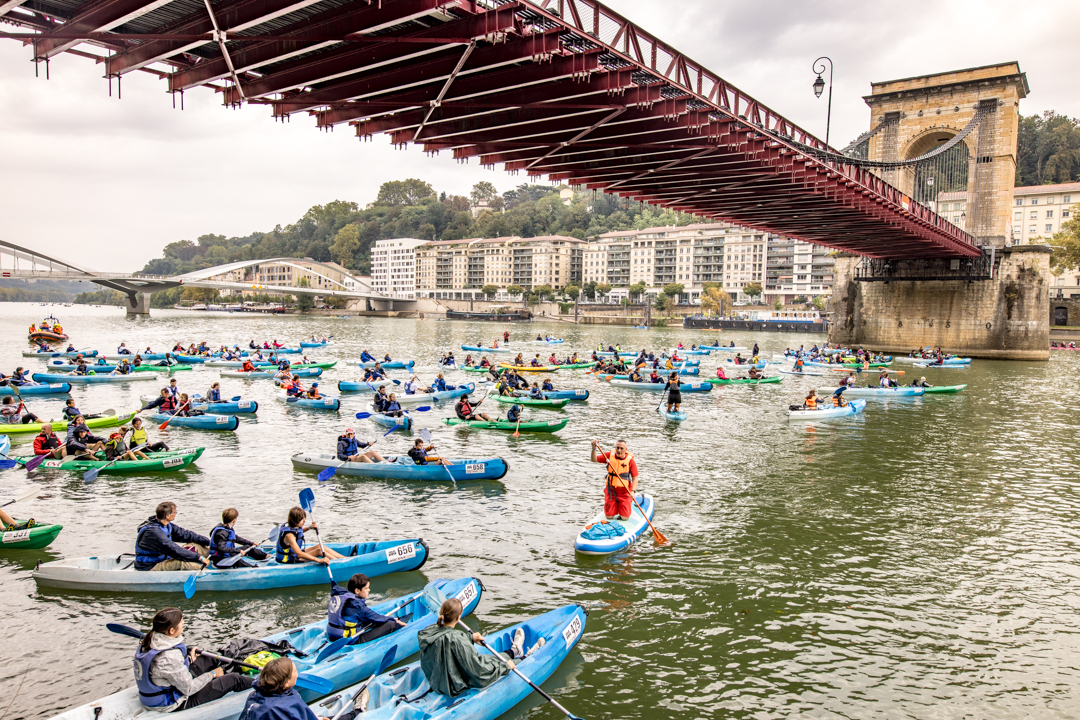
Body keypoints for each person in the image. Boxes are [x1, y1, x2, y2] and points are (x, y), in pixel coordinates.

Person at [418, 597, 543, 699]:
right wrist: (505, 667)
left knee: (489, 660)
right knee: (493, 663)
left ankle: (514, 651)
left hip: (436, 680)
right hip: (453, 685)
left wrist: (470, 638)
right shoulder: (457, 639)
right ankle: (525, 657)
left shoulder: (428, 631)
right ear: (458, 618)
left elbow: (447, 639)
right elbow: (478, 672)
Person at [133, 607, 254, 711]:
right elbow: (189, 689)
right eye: (181, 623)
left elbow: (167, 671)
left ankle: (227, 672)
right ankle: (264, 685)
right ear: (171, 631)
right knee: (233, 680)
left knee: (208, 658)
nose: (184, 623)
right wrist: (211, 674)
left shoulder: (150, 640)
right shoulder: (168, 658)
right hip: (173, 703)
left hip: (169, 685)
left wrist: (189, 660)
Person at [326, 572, 407, 643]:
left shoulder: (340, 594)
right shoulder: (357, 605)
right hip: (349, 639)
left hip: (332, 634)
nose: (369, 590)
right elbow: (374, 617)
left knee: (367, 621)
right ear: (357, 590)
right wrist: (392, 619)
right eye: (366, 588)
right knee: (390, 624)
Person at [135, 502, 211, 571]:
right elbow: (174, 549)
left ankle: (217, 556)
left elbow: (186, 535)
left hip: (165, 558)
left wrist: (211, 543)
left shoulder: (166, 525)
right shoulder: (153, 532)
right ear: (167, 516)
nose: (175, 514)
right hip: (150, 566)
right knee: (182, 563)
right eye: (174, 512)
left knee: (195, 546)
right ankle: (210, 574)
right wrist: (199, 558)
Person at [275, 506, 344, 564]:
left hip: (294, 555)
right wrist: (318, 560)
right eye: (302, 519)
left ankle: (344, 559)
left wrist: (309, 527)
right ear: (295, 520)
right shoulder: (289, 535)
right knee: (319, 551)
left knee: (320, 546)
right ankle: (339, 564)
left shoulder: (293, 527)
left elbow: (300, 531)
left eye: (304, 518)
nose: (304, 520)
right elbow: (299, 554)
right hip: (289, 559)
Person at [590, 439, 639, 521]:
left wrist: (633, 491)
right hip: (611, 490)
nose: (619, 450)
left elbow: (635, 478)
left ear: (625, 449)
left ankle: (624, 507)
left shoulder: (630, 461)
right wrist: (593, 448)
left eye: (621, 448)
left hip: (624, 491)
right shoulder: (609, 455)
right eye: (617, 448)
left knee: (625, 518)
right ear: (615, 448)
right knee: (608, 517)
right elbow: (594, 459)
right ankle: (614, 508)